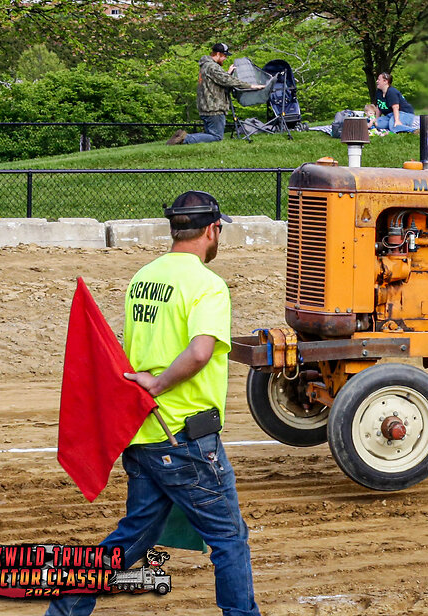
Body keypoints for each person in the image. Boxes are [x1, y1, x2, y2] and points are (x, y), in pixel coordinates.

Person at [46, 191, 261, 616]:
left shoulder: (144, 278)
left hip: (143, 432)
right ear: (211, 230)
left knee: (134, 537)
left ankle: (68, 604)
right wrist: (161, 384)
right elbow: (200, 351)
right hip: (185, 436)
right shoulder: (208, 285)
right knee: (229, 539)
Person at [174, 43, 264, 145]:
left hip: (206, 106)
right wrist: (251, 86)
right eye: (224, 56)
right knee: (216, 137)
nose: (225, 58)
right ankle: (184, 138)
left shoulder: (206, 66)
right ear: (218, 54)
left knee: (210, 136)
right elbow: (227, 80)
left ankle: (183, 138)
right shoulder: (212, 66)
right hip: (214, 108)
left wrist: (228, 72)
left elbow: (219, 80)